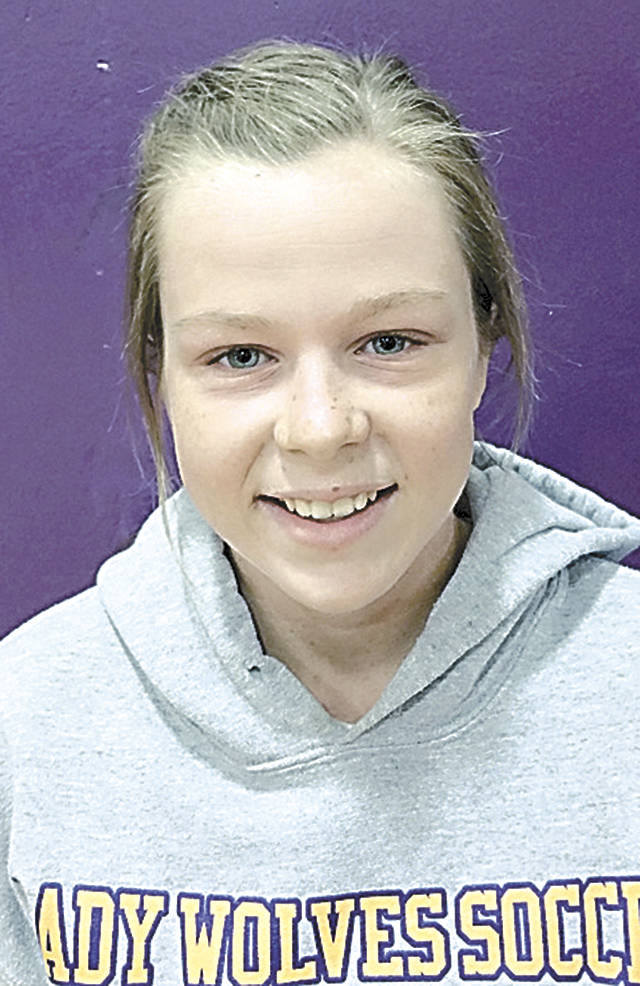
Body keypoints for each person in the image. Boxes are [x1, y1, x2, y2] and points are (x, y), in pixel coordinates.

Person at [1, 38, 639, 986]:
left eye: (390, 341)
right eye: (240, 357)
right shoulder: (25, 724)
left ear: (484, 344)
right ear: (161, 373)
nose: (320, 428)